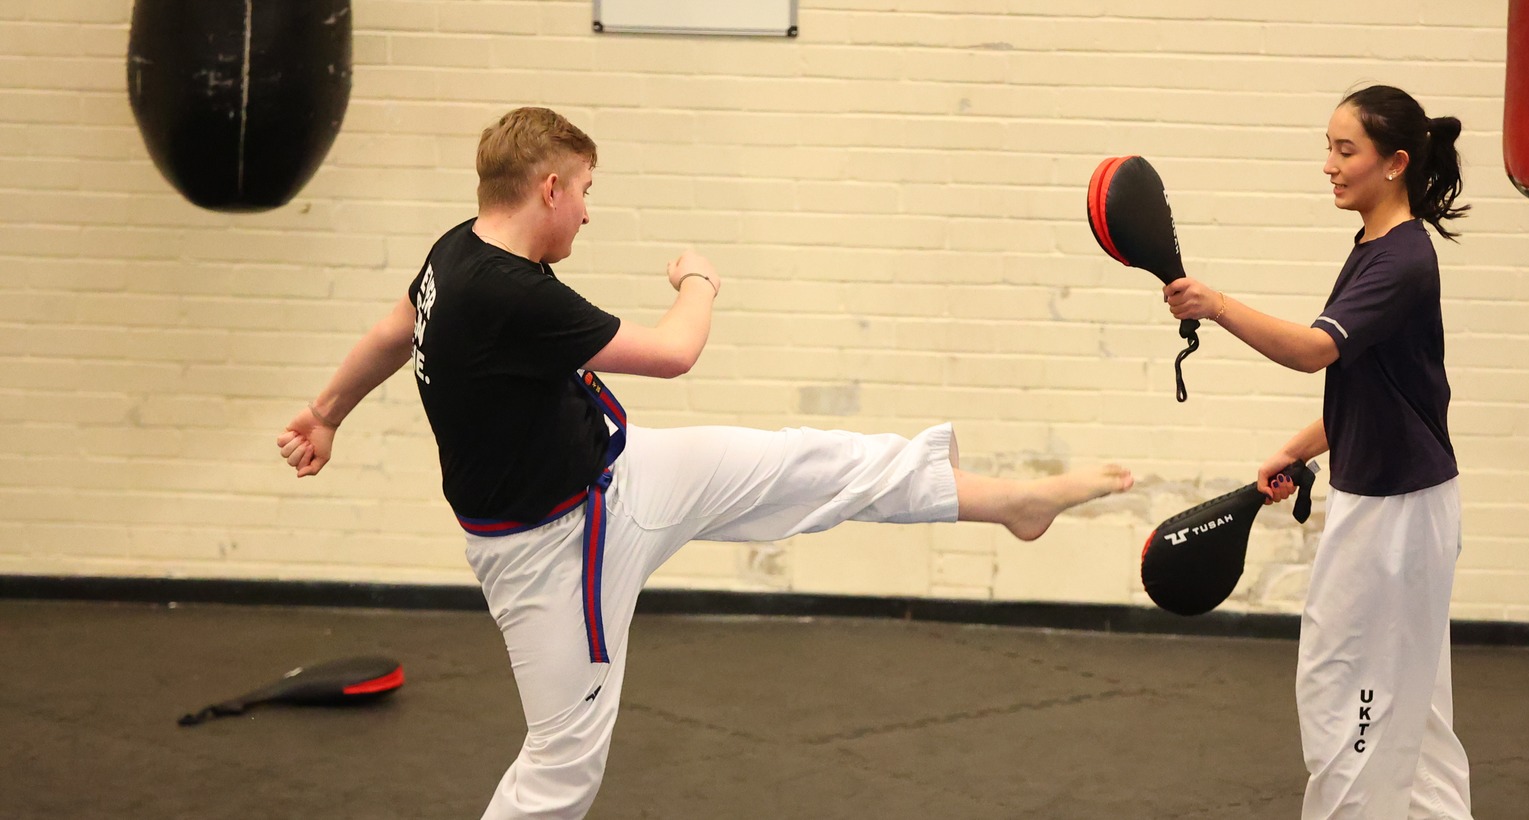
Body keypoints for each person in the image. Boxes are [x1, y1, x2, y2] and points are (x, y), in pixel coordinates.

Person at [274, 106, 1132, 819]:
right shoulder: (509, 290)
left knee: (816, 465)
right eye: (583, 193)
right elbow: (676, 352)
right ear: (548, 186)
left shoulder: (453, 250)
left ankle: (1016, 503)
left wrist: (325, 413)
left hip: (627, 472)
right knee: (562, 761)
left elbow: (392, 331)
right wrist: (700, 280)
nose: (586, 212)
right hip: (557, 551)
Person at [1161, 85, 1473, 819]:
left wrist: (1216, 305)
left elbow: (1313, 352)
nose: (1328, 167)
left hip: (1395, 516)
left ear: (1394, 163)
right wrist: (1300, 447)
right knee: (1412, 714)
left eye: (1345, 151)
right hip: (1401, 501)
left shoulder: (1400, 262)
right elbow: (1381, 387)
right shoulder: (1375, 246)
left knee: (1346, 696)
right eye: (1327, 148)